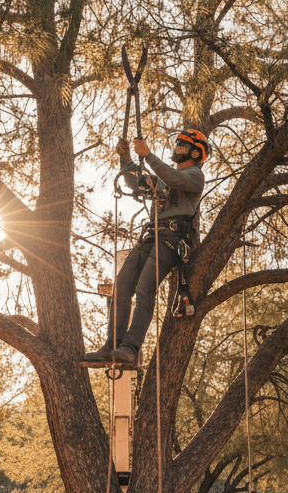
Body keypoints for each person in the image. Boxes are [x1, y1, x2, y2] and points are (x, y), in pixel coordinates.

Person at [83, 129, 210, 366]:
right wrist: (126, 157)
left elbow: (174, 179)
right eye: (177, 144)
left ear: (195, 153)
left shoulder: (195, 176)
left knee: (144, 288)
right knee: (121, 286)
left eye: (182, 146)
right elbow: (135, 181)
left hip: (170, 239)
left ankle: (130, 347)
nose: (176, 148)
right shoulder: (163, 177)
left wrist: (148, 155)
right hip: (151, 237)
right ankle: (111, 345)